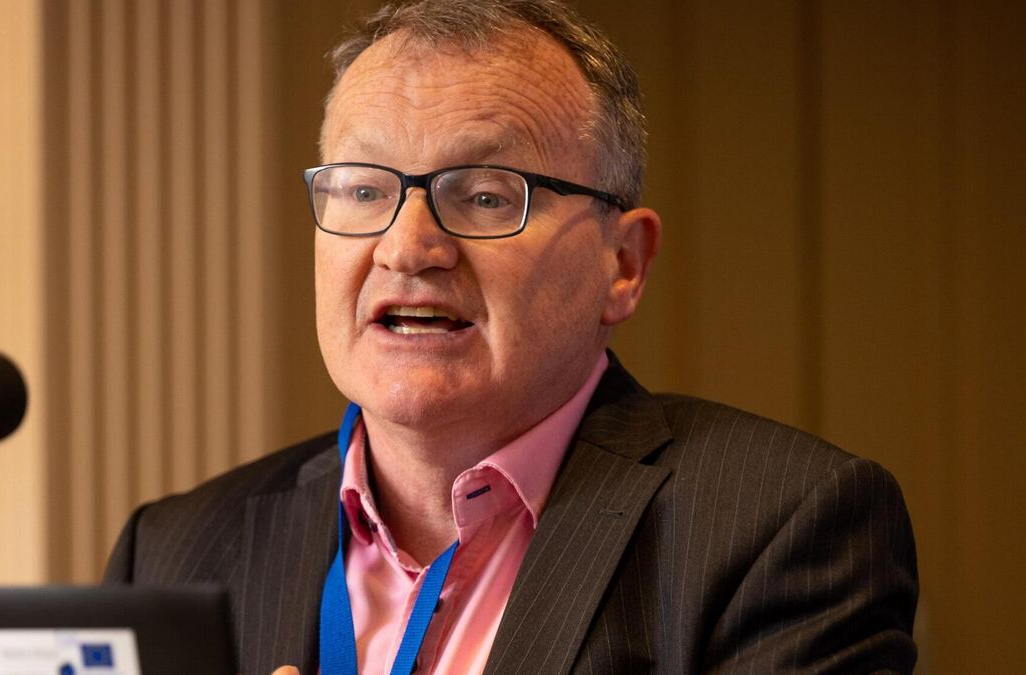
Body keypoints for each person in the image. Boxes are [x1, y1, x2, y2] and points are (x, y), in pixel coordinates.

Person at [105, 1, 918, 673]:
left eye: (488, 196)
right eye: (363, 190)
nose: (407, 248)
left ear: (623, 263)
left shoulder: (782, 527)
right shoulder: (174, 550)